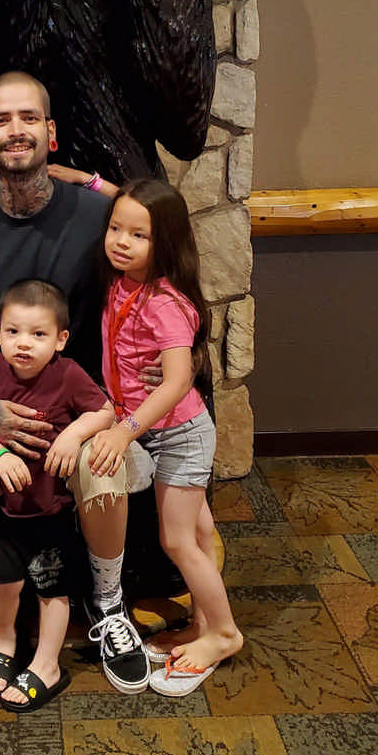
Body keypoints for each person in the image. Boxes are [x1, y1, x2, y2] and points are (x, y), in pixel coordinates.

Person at [0, 70, 153, 695]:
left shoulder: (99, 217)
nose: (15, 130)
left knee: (104, 467)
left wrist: (173, 353)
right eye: (0, 120)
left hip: (81, 414)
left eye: (28, 118)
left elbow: (164, 251)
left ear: (50, 132)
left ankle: (107, 602)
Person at [88, 179, 244, 696]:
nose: (121, 241)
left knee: (176, 539)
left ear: (166, 241)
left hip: (178, 434)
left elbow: (178, 381)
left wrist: (125, 430)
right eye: (115, 229)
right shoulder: (126, 282)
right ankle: (204, 623)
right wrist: (84, 181)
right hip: (160, 430)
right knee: (198, 536)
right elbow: (133, 200)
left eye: (138, 235)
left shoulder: (162, 302)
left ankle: (223, 633)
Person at [0, 280, 115, 713]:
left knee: (53, 588)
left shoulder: (66, 375)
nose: (23, 344)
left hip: (52, 511)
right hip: (8, 512)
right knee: (3, 583)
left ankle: (48, 663)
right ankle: (6, 642)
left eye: (37, 334)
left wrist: (73, 435)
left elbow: (105, 411)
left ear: (61, 339)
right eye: (12, 332)